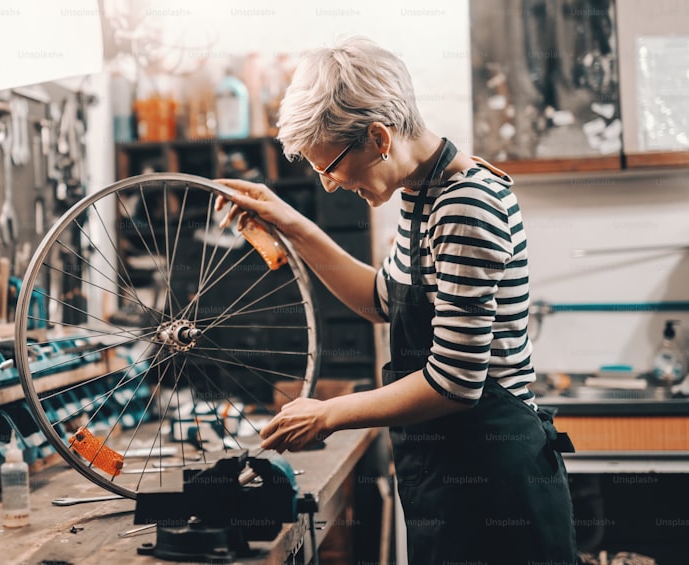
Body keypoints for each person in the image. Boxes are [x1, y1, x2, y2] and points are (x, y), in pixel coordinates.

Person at [215, 37, 577, 564]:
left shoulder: (463, 204)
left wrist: (327, 414)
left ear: (379, 137)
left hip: (498, 488)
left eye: (331, 166)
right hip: (454, 475)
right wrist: (290, 224)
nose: (331, 185)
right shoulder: (419, 193)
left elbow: (454, 384)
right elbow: (379, 299)